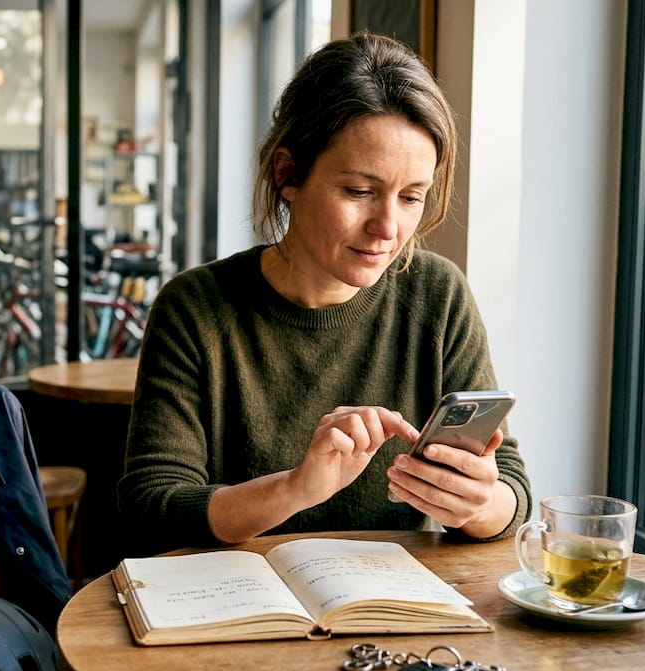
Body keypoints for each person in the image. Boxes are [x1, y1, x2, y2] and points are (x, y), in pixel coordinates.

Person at [117, 32, 532, 557]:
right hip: (237, 611)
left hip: (387, 611)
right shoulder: (196, 308)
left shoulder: (438, 295)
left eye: (411, 198)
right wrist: (295, 489)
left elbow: (512, 491)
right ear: (288, 174)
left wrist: (479, 503)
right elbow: (151, 508)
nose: (388, 227)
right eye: (359, 192)